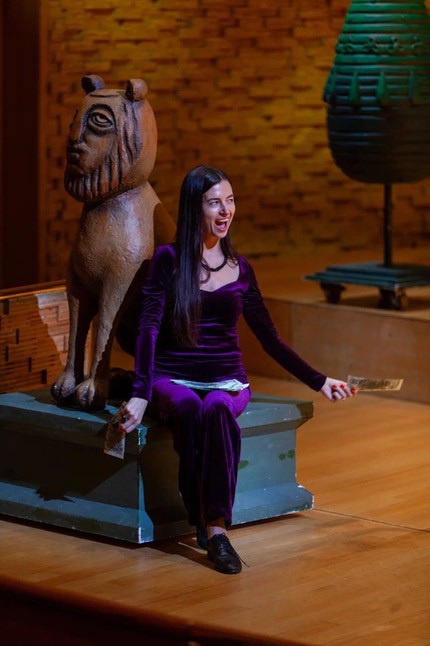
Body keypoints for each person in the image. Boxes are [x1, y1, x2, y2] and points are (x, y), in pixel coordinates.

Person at [119, 165, 357, 575]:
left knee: (215, 408)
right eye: (215, 203)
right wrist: (140, 392)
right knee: (189, 408)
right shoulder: (168, 260)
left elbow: (270, 339)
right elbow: (148, 327)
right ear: (195, 208)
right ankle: (202, 514)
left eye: (230, 201)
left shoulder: (241, 268)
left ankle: (216, 529)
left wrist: (320, 381)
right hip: (171, 375)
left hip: (227, 378)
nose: (226, 211)